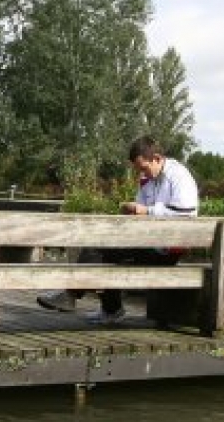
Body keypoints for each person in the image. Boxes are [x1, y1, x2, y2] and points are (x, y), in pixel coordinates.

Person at [36, 135, 199, 323]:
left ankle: (74, 296)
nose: (142, 174)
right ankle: (109, 309)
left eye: (144, 168)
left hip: (168, 249)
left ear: (157, 158)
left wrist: (145, 211)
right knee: (103, 248)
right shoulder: (147, 178)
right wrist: (131, 213)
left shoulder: (179, 176)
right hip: (150, 242)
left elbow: (186, 214)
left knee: (100, 250)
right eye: (138, 170)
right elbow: (142, 211)